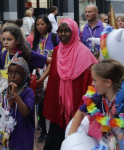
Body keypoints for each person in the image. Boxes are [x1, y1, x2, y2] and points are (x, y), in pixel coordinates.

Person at [0, 24, 52, 147]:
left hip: (24, 96)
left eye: (9, 39)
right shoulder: (3, 55)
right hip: (7, 97)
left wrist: (41, 80)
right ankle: (4, 141)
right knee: (7, 124)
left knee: (22, 128)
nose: (5, 42)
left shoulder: (26, 54)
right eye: (3, 39)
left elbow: (50, 62)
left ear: (17, 40)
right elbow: (3, 74)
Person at [43, 18, 98, 150]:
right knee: (55, 138)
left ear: (74, 32)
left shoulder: (84, 53)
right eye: (60, 31)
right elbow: (54, 79)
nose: (62, 34)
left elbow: (92, 82)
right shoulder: (57, 51)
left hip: (77, 103)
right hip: (60, 104)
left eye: (66, 31)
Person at [68, 59, 124, 149]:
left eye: (95, 80)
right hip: (110, 139)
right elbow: (80, 112)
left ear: (108, 82)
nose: (92, 83)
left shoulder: (122, 100)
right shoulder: (97, 98)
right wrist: (70, 138)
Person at [0, 57, 35, 150]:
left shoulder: (28, 92)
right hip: (10, 135)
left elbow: (25, 113)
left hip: (23, 136)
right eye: (10, 73)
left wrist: (16, 94)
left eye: (17, 73)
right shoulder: (6, 91)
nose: (12, 76)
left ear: (24, 75)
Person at [33, 14, 59, 143]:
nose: (40, 26)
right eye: (38, 24)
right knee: (41, 105)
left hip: (53, 76)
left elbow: (58, 57)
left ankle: (55, 130)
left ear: (48, 24)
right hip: (39, 76)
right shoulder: (36, 40)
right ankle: (43, 131)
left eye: (42, 24)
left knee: (54, 103)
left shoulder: (54, 37)